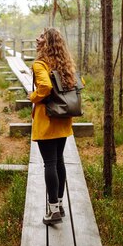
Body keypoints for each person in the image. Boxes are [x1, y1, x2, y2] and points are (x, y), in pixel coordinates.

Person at [27, 27, 79, 225]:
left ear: (46, 42)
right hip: (63, 119)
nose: (37, 38)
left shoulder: (40, 65)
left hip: (47, 119)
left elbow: (45, 88)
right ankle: (59, 205)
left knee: (50, 163)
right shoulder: (64, 63)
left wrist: (33, 97)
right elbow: (77, 82)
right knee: (59, 162)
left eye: (40, 36)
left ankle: (54, 210)